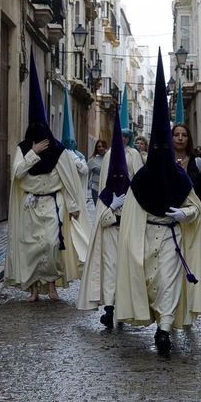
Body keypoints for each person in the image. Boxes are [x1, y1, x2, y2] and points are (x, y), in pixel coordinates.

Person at [112, 54, 201, 357]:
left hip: (171, 239)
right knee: (149, 283)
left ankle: (165, 330)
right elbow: (131, 215)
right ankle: (158, 321)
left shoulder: (181, 175)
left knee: (169, 283)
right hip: (146, 240)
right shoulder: (142, 178)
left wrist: (186, 213)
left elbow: (196, 207)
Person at [4, 52, 85, 302]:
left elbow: (70, 178)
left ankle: (52, 285)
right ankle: (33, 290)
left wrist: (73, 207)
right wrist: (33, 154)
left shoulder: (59, 150)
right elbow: (17, 174)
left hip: (52, 203)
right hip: (30, 204)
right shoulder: (22, 149)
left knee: (51, 245)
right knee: (30, 247)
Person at [76, 119, 139, 330]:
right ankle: (110, 309)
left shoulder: (135, 155)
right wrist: (110, 206)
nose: (123, 139)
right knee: (111, 267)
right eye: (119, 135)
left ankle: (124, 307)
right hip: (112, 223)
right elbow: (105, 184)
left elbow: (138, 182)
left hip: (130, 225)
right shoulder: (110, 155)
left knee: (127, 267)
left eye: (125, 136)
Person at [87, 138, 108, 203]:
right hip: (96, 188)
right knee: (98, 208)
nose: (101, 148)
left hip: (108, 188)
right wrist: (88, 185)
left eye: (103, 146)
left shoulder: (110, 158)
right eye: (99, 147)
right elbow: (87, 174)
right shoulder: (92, 160)